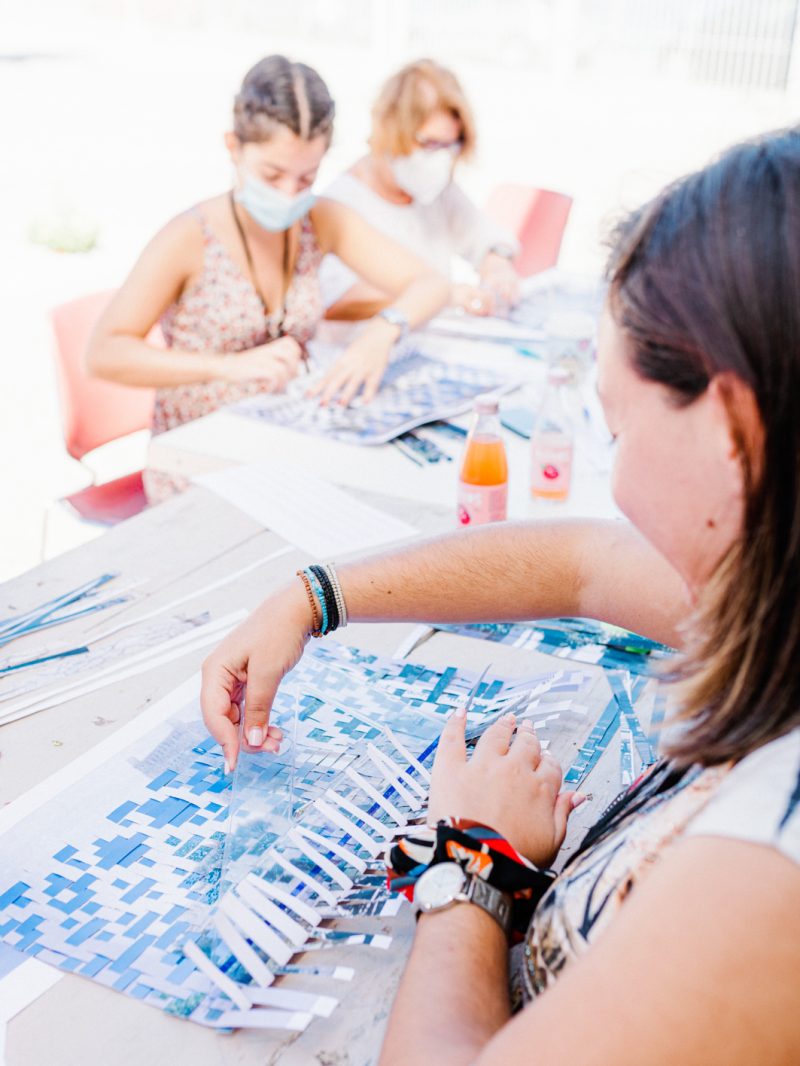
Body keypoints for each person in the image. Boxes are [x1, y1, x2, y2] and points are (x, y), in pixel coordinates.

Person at [200, 128, 800, 1064]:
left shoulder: (765, 880)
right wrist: (313, 596)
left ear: (733, 428)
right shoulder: (775, 580)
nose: (615, 480)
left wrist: (474, 859)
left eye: (616, 430)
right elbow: (583, 561)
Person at [86, 55, 449, 500]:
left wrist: (382, 332)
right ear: (233, 147)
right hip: (197, 468)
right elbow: (104, 354)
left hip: (285, 448)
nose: (289, 193)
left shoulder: (321, 220)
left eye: (306, 178)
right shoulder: (190, 237)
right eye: (272, 175)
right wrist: (224, 367)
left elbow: (431, 283)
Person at [319, 58, 521, 322]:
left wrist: (497, 266)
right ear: (390, 130)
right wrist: (439, 296)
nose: (440, 159)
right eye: (429, 144)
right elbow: (336, 299)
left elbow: (486, 236)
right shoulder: (340, 204)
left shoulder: (437, 192)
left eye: (449, 146)